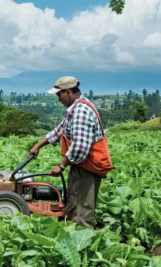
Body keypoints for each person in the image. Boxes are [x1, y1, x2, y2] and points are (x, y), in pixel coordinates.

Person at [28, 76, 113, 227]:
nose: (58, 99)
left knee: (81, 211)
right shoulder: (76, 108)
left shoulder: (81, 111)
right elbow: (60, 130)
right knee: (74, 204)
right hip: (82, 166)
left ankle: (81, 243)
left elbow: (79, 147)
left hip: (86, 168)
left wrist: (61, 166)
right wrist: (38, 145)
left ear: (67, 92)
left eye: (59, 94)